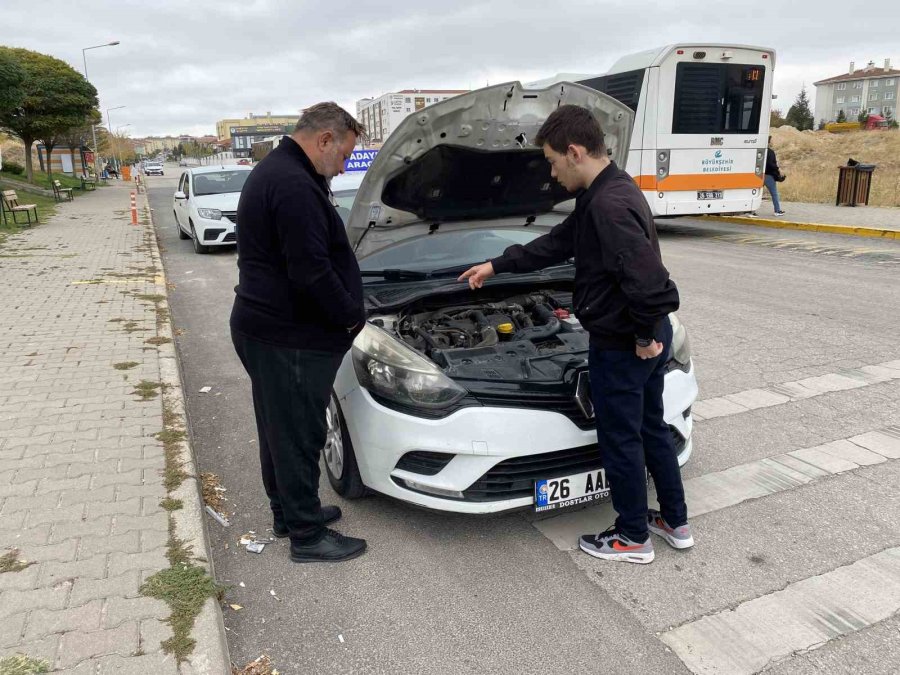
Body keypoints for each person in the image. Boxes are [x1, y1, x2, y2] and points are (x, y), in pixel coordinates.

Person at [458, 105, 692, 565]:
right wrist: (498, 265)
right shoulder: (609, 191)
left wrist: (644, 335)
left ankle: (631, 538)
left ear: (575, 151)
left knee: (621, 438)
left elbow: (651, 283)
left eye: (552, 160)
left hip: (627, 339)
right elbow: (557, 243)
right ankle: (674, 520)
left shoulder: (608, 203)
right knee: (651, 428)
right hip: (640, 334)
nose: (550, 171)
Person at [230, 102, 368, 563]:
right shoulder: (292, 185)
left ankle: (288, 514)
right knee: (298, 435)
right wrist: (351, 317)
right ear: (324, 139)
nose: (345, 163)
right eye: (345, 154)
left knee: (278, 430)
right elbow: (311, 272)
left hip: (269, 329)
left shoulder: (285, 172)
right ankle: (307, 537)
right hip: (287, 336)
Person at [764, 136, 785, 216]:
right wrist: (778, 170)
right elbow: (771, 164)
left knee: (757, 193)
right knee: (774, 194)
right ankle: (777, 211)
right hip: (769, 176)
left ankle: (752, 211)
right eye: (771, 140)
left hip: (759, 175)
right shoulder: (770, 152)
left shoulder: (759, 150)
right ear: (768, 142)